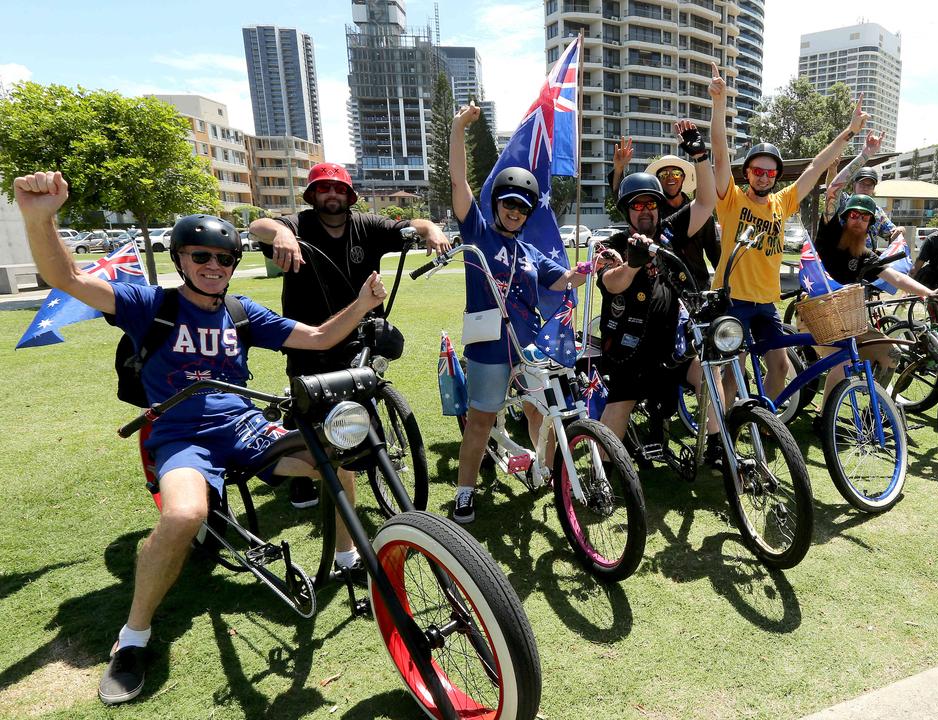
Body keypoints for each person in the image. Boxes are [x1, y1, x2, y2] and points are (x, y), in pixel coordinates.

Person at [14, 171, 389, 706]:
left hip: (246, 428)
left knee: (337, 452)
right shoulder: (152, 306)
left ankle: (350, 561)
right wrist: (40, 218)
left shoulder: (242, 313)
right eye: (200, 257)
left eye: (224, 259)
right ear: (181, 261)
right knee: (184, 516)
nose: (213, 267)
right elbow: (67, 277)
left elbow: (319, 336)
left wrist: (362, 304)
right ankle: (133, 637)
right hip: (181, 438)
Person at [249, 162, 450, 510]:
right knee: (306, 403)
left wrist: (430, 227)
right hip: (309, 333)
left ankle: (358, 448)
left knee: (363, 387)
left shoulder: (366, 225)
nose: (332, 195)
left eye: (339, 189)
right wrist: (281, 234)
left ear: (349, 195)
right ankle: (301, 476)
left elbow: (408, 226)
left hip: (359, 329)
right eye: (324, 189)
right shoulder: (300, 224)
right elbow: (258, 226)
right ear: (313, 195)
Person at [449, 103, 598, 524]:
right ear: (496, 204)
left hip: (528, 345)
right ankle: (465, 492)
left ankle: (545, 469)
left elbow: (562, 280)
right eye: (509, 204)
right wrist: (459, 127)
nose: (515, 212)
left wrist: (588, 269)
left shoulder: (530, 252)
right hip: (490, 346)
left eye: (522, 208)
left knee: (540, 410)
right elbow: (459, 181)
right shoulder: (477, 231)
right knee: (481, 419)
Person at [708, 62, 872, 401]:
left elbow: (816, 166)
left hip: (766, 302)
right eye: (757, 171)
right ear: (748, 173)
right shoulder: (731, 200)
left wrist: (849, 132)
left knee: (780, 366)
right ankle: (722, 434)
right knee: (732, 372)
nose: (764, 177)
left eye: (770, 173)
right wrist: (719, 104)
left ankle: (761, 417)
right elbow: (720, 156)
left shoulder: (783, 203)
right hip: (733, 299)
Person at [596, 120, 724, 453]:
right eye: (637, 205)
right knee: (621, 403)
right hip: (630, 348)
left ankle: (717, 445)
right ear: (626, 210)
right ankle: (606, 471)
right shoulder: (612, 244)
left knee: (708, 372)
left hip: (674, 343)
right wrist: (632, 265)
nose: (645, 211)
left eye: (650, 204)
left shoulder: (669, 231)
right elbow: (611, 283)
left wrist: (699, 154)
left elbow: (706, 202)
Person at [811, 193, 938, 399]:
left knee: (892, 354)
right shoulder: (830, 235)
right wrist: (833, 166)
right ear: (846, 217)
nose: (859, 221)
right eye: (855, 215)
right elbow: (832, 192)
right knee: (844, 360)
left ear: (870, 225)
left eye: (865, 218)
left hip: (851, 321)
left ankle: (875, 414)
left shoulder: (865, 254)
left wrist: (929, 292)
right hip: (817, 316)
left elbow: (897, 278)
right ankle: (825, 418)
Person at [609, 139, 719, 289]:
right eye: (664, 174)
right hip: (667, 289)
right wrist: (619, 169)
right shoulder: (653, 219)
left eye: (676, 173)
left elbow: (716, 253)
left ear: (683, 178)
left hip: (698, 286)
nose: (670, 177)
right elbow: (623, 200)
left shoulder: (699, 214)